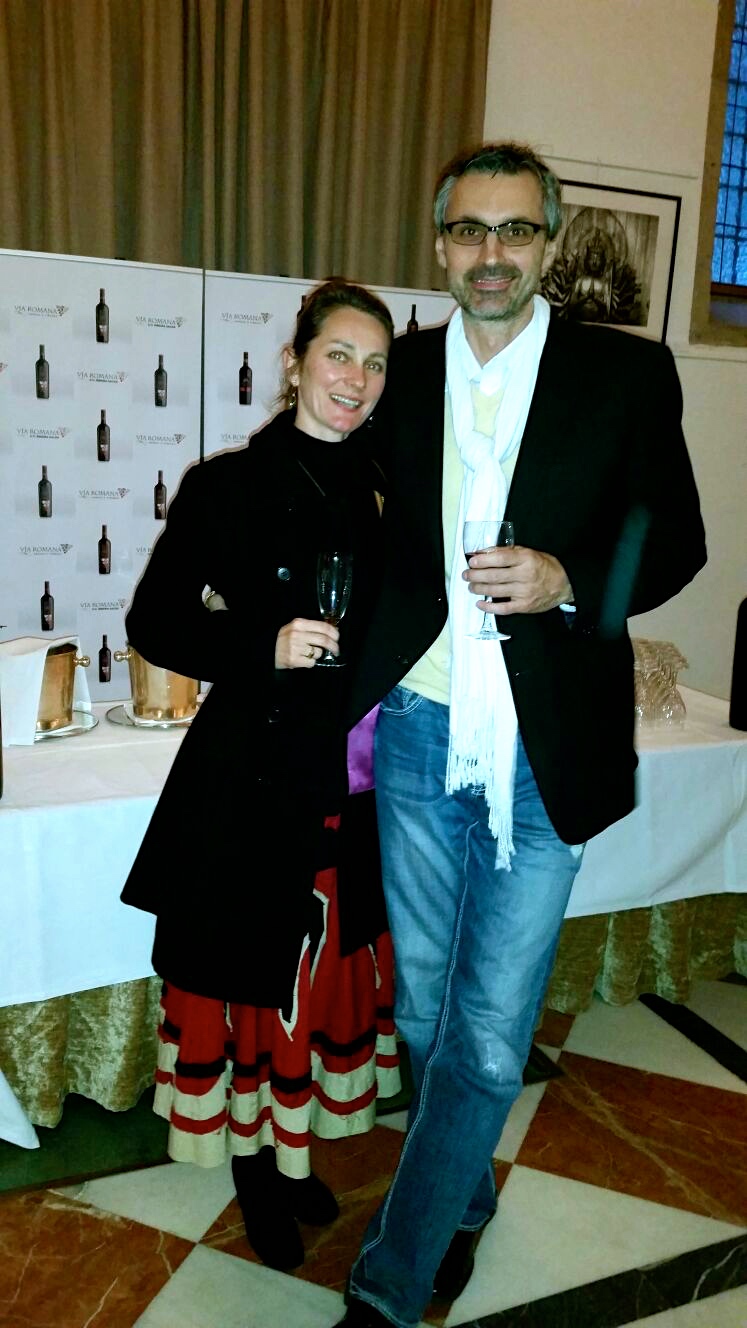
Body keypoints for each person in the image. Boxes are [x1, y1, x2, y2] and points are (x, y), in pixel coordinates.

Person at [337, 143, 707, 1328]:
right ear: (440, 244)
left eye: (515, 230)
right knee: (422, 1010)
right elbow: (337, 502)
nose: (490, 254)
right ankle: (463, 1194)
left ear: (548, 242)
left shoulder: (626, 373)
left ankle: (389, 1283)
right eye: (468, 231)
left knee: (490, 1037)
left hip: (548, 748)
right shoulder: (404, 372)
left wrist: (568, 578)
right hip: (416, 731)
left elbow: (677, 539)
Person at [120, 278, 400, 1272]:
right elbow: (154, 621)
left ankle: (293, 1150)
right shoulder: (227, 486)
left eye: (375, 364)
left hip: (361, 782)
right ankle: (255, 1166)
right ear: (295, 361)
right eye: (338, 355)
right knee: (254, 982)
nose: (355, 379)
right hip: (253, 782)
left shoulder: (393, 489)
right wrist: (260, 644)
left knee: (319, 986)